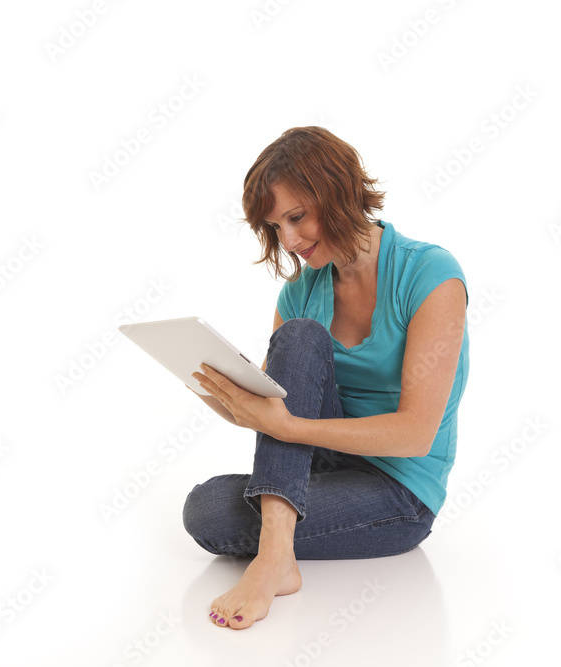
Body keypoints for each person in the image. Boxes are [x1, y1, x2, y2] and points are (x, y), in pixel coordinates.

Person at [182, 126, 470, 630]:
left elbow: (415, 433)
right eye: (275, 228)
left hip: (400, 492)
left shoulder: (430, 276)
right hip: (321, 469)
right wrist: (222, 392)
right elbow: (276, 413)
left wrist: (288, 427)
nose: (289, 242)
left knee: (218, 514)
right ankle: (279, 550)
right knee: (204, 508)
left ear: (339, 193)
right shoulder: (300, 293)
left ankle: (274, 559)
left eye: (296, 217)